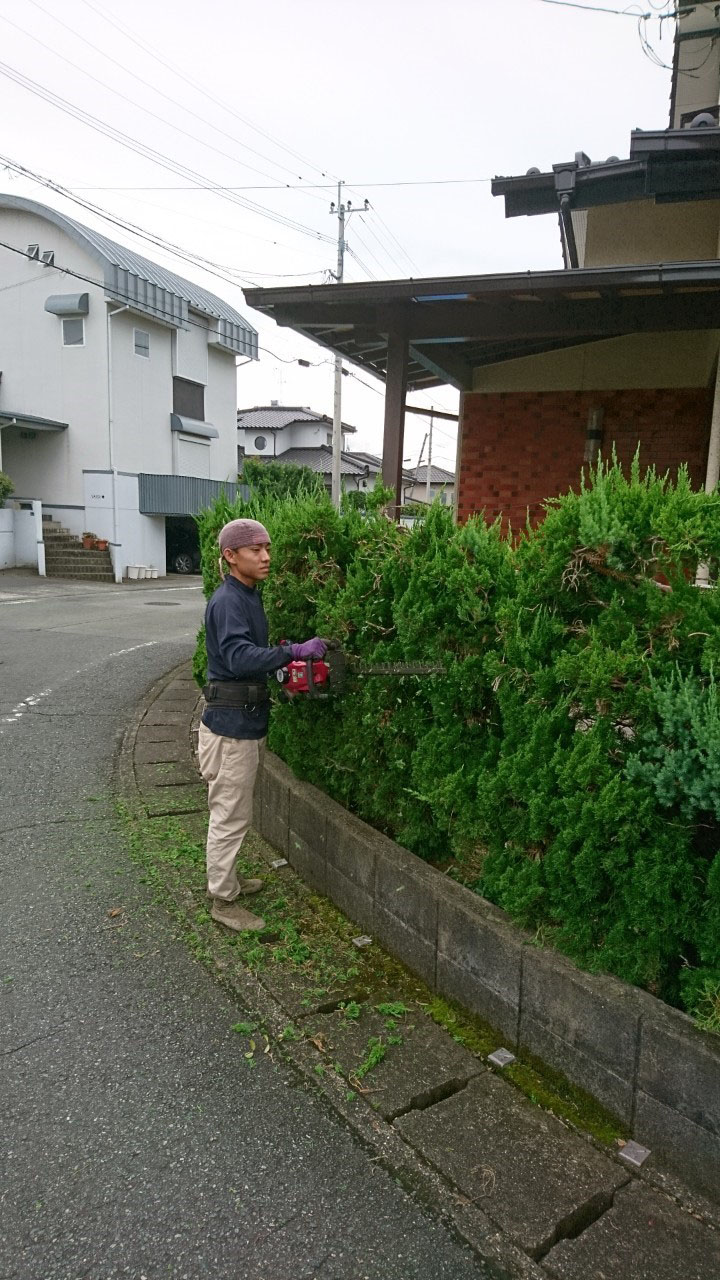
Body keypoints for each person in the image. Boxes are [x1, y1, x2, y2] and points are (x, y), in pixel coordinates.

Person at [198, 517, 326, 933]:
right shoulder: (229, 601)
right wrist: (290, 652)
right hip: (230, 729)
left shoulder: (247, 594)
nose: (266, 556)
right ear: (230, 556)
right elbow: (237, 658)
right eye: (255, 549)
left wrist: (279, 669)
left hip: (243, 722)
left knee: (235, 810)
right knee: (230, 815)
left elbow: (247, 658)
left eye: (267, 547)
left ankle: (229, 881)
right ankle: (223, 900)